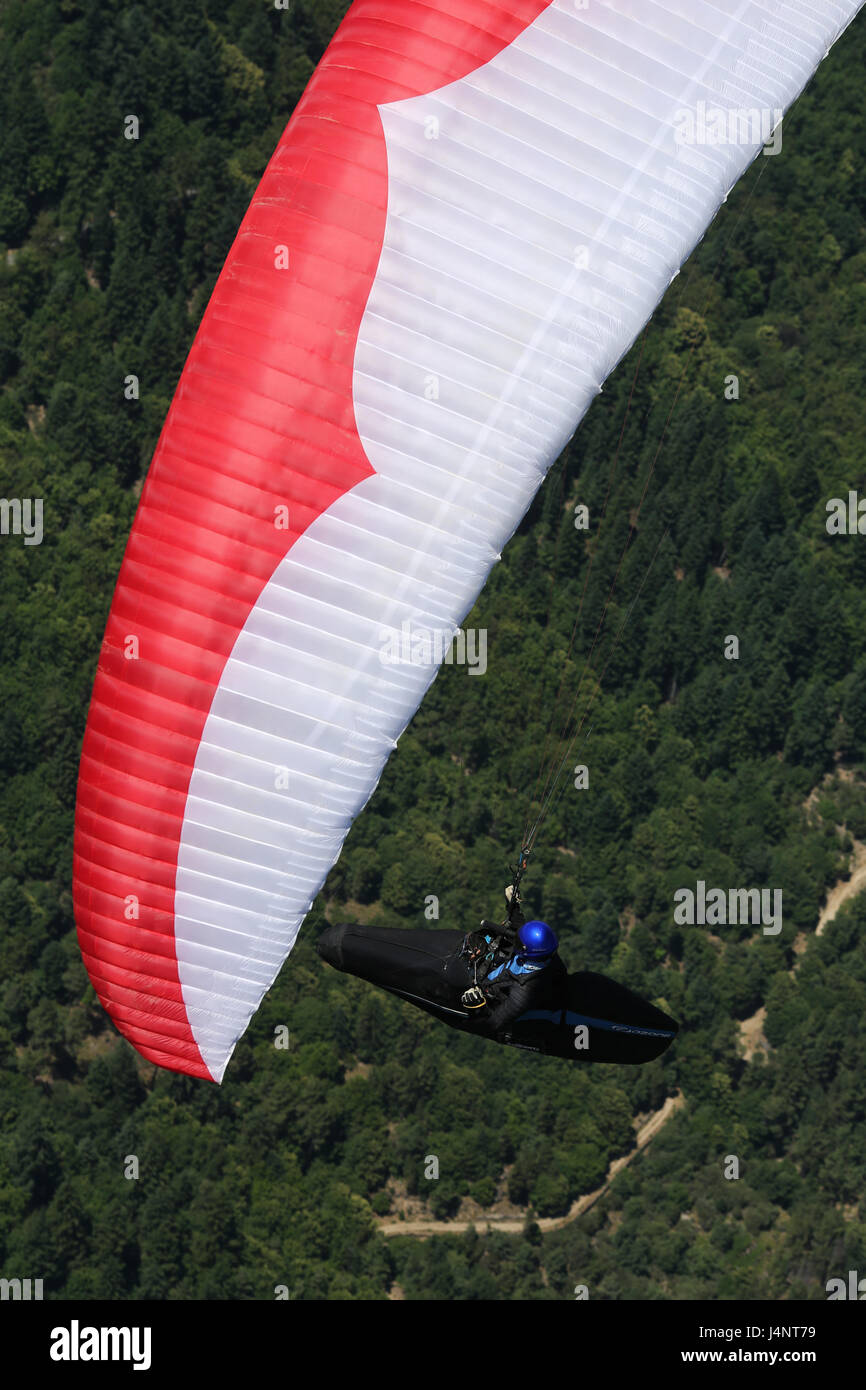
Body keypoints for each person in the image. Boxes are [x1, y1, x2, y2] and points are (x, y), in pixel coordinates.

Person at [460, 888, 567, 1035]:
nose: (516, 942)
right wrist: (513, 904)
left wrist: (478, 1006)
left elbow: (493, 1024)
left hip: (488, 989)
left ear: (527, 954)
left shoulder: (523, 993)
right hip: (501, 969)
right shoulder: (545, 955)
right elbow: (520, 933)